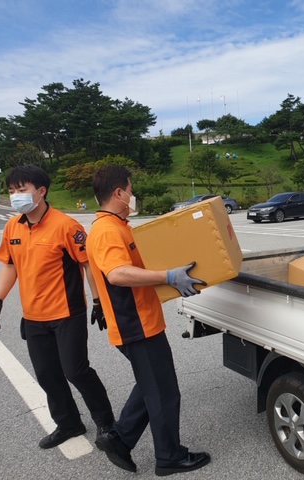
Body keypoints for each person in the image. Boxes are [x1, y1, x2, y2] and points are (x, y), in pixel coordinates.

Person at [87, 165, 210, 476]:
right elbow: (117, 273)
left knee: (152, 384)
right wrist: (168, 277)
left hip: (141, 320)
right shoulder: (107, 230)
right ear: (118, 193)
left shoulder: (119, 225)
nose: (133, 195)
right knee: (163, 391)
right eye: (130, 189)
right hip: (135, 324)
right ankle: (169, 457)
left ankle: (119, 439)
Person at [0, 165, 115, 449]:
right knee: (47, 374)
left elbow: (88, 264)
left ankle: (106, 421)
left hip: (67, 313)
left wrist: (98, 302)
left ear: (41, 191)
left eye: (22, 190)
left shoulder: (66, 226)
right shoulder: (13, 227)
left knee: (76, 371)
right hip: (33, 316)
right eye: (12, 190)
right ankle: (68, 423)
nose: (15, 196)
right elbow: (10, 265)